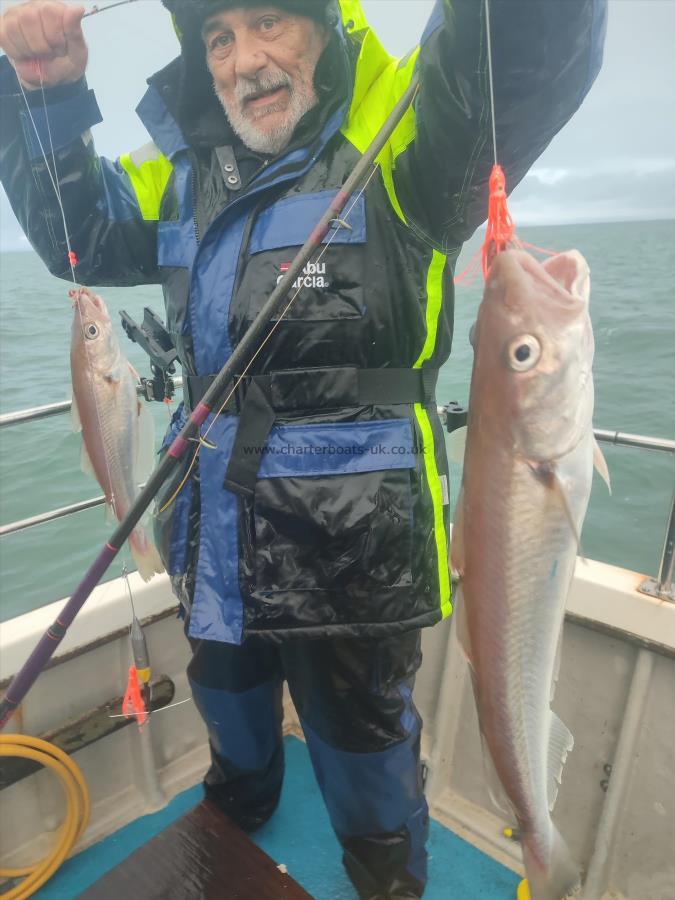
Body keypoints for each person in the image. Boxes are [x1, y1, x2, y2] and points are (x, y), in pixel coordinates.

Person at [0, 1, 607, 896]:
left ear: (327, 27)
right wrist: (47, 95)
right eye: (218, 38)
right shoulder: (176, 173)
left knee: (362, 738)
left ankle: (383, 871)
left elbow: (523, 58)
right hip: (213, 525)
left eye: (270, 24)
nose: (244, 60)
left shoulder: (403, 136)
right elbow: (75, 236)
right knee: (227, 693)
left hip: (353, 548)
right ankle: (239, 799)